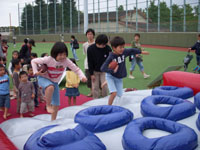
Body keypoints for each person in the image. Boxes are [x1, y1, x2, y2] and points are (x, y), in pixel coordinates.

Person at [31, 42, 87, 121]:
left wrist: (82, 77)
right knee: (50, 87)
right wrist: (35, 72)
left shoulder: (66, 61)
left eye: (64, 54)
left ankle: (53, 120)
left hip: (55, 82)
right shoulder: (48, 59)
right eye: (60, 55)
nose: (62, 57)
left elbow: (76, 69)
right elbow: (33, 61)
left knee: (56, 104)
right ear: (54, 54)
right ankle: (48, 105)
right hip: (43, 78)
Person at [101, 36, 149, 105]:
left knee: (120, 94)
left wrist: (141, 52)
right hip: (110, 76)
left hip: (118, 77)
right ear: (114, 48)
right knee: (114, 93)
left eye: (123, 47)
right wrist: (112, 71)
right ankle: (109, 106)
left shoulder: (124, 52)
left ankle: (107, 82)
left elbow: (132, 50)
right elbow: (103, 68)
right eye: (120, 47)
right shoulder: (111, 57)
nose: (122, 49)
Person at [87, 34, 111, 99]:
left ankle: (106, 100)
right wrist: (91, 74)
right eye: (102, 44)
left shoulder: (108, 49)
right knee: (95, 87)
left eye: (105, 44)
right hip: (95, 71)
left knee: (105, 86)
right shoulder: (90, 49)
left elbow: (110, 60)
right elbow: (90, 62)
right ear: (97, 43)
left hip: (104, 71)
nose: (103, 46)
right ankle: (95, 100)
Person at [83, 28, 95, 97]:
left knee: (97, 79)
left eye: (91, 34)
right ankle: (91, 92)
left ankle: (98, 91)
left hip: (96, 64)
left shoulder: (97, 43)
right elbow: (85, 53)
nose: (89, 35)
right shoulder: (85, 45)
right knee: (89, 79)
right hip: (87, 64)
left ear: (93, 35)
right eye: (88, 34)